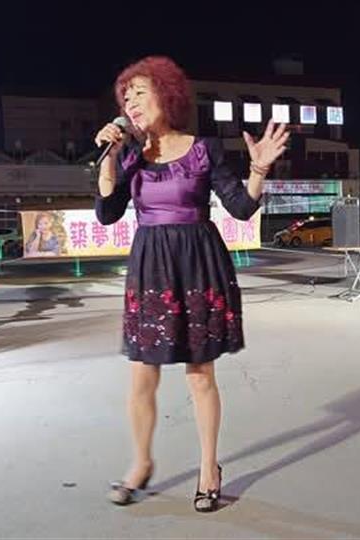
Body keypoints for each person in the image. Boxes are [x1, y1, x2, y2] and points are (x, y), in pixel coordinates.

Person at [94, 56, 288, 513]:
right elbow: (106, 213)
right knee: (142, 375)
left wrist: (259, 170)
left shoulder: (203, 149)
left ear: (167, 95)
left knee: (200, 375)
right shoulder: (131, 157)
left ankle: (208, 469)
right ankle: (141, 464)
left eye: (140, 92)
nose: (131, 102)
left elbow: (241, 207)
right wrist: (109, 157)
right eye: (126, 97)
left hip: (197, 265)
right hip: (151, 270)